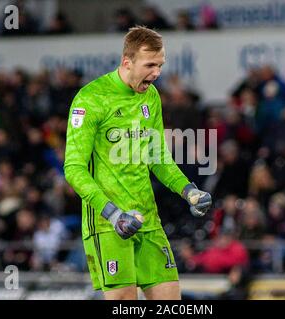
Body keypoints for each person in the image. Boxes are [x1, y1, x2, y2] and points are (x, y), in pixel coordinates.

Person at [64, 26, 212, 300]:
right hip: (108, 224)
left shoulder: (151, 96)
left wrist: (188, 191)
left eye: (160, 65)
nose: (156, 73)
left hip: (148, 219)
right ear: (127, 62)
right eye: (150, 65)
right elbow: (73, 169)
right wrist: (113, 214)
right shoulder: (91, 99)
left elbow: (158, 157)